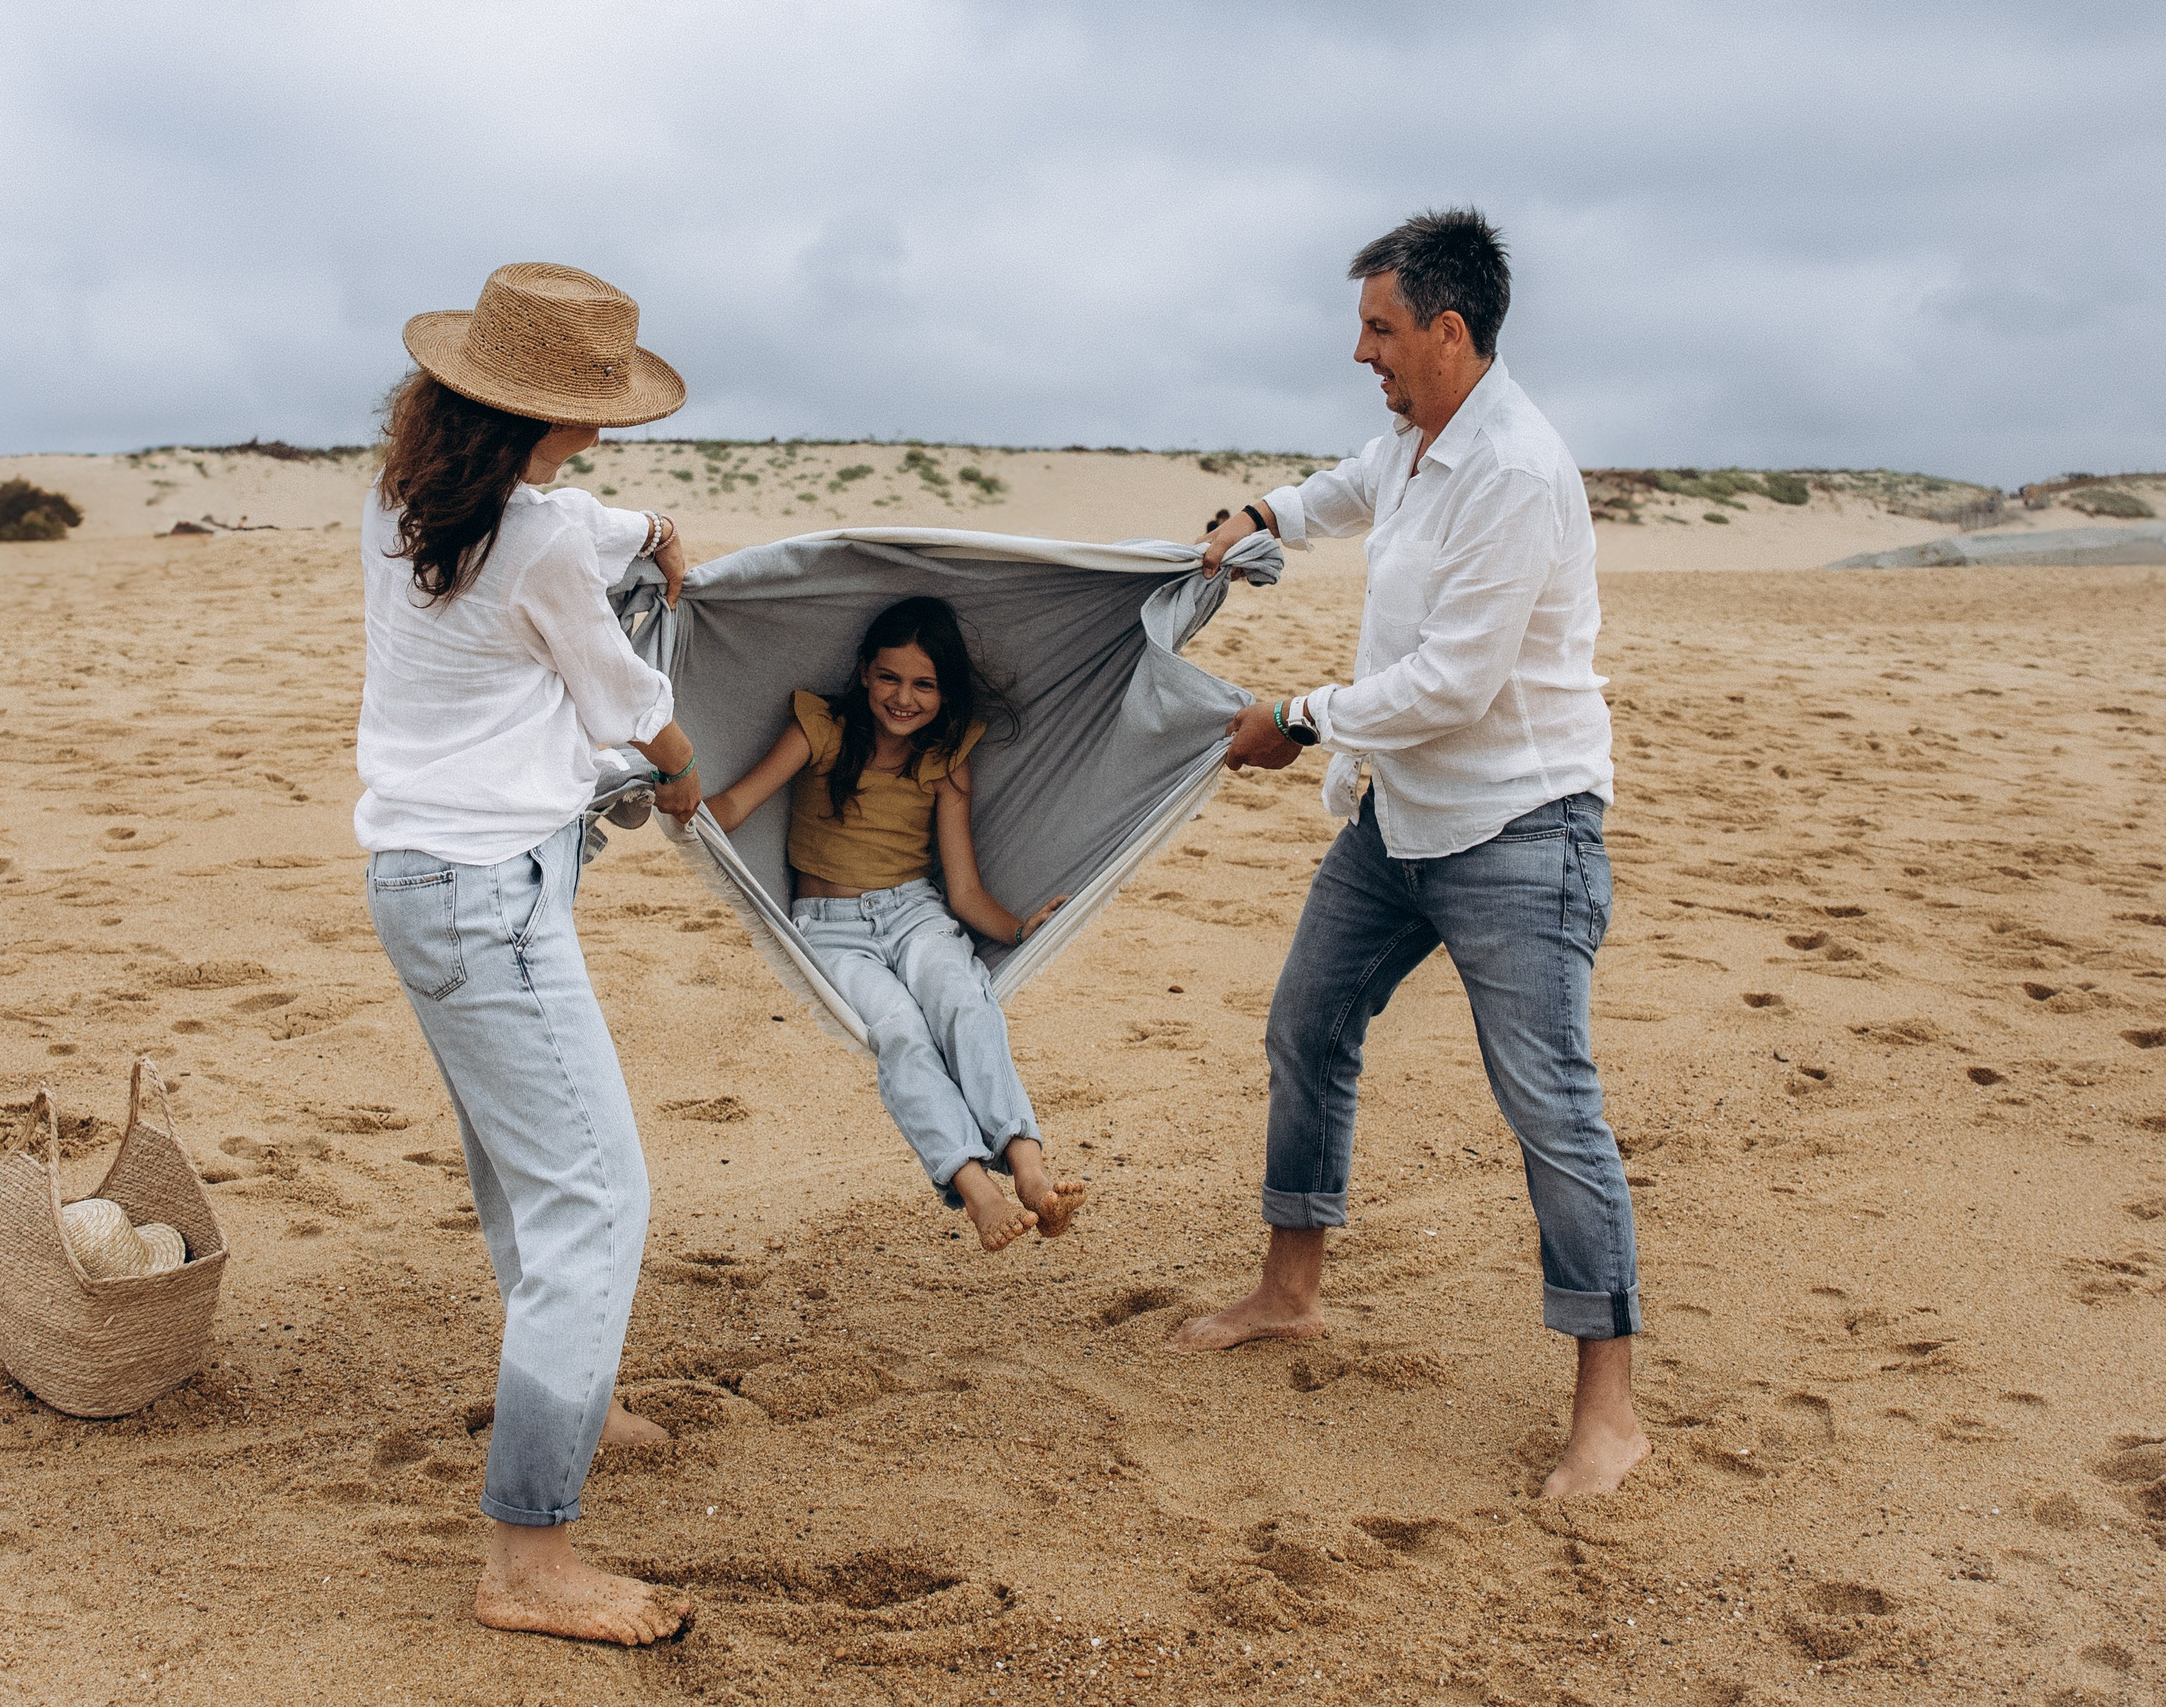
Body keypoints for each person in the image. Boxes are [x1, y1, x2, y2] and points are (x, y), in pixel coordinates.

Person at [1177, 209, 1650, 1499]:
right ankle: (1289, 1289)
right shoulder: (1417, 439)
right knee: (1306, 1024)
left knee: (1548, 1104)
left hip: (1519, 827)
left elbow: (1452, 683)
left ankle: (1608, 1410)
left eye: (1380, 328)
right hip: (1400, 820)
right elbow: (1342, 487)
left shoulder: (1515, 470)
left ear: (1448, 329)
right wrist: (1260, 506)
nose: (1360, 351)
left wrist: (1294, 718)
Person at [356, 262, 701, 1643]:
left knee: (524, 1166)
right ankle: (528, 1556)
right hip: (488, 892)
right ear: (532, 418)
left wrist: (653, 526)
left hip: (420, 881)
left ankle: (583, 1391)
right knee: (597, 1198)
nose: (602, 433)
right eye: (586, 411)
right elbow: (628, 699)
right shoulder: (546, 543)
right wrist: (680, 774)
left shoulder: (400, 501)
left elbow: (576, 523)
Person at [701, 596, 1089, 1250]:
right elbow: (736, 802)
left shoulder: (946, 758)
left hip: (915, 914)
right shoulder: (819, 729)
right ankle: (977, 1189)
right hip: (829, 929)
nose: (903, 696)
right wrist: (681, 801)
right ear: (862, 671)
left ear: (945, 691)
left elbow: (962, 889)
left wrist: (1020, 929)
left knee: (967, 1003)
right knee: (902, 1034)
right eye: (889, 676)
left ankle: (1027, 1163)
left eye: (924, 684)